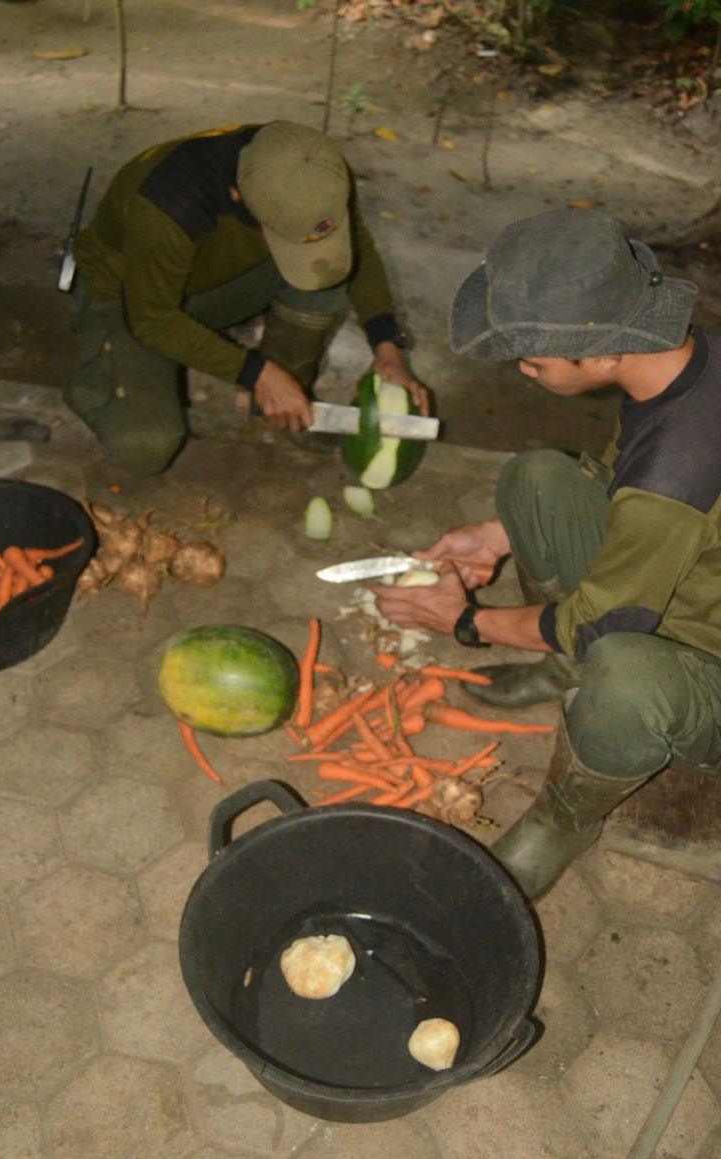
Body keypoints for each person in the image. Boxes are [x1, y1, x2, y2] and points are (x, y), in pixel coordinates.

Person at [373, 207, 721, 901]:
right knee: (533, 480)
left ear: (600, 354)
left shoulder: (676, 473)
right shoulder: (687, 357)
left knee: (622, 670)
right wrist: (498, 534)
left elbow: (607, 618)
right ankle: (566, 673)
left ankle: (565, 818)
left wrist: (464, 622)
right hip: (683, 564)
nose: (525, 370)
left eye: (534, 358)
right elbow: (627, 473)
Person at [65, 120, 426, 475]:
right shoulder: (165, 207)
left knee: (326, 272)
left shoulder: (314, 172)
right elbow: (152, 319)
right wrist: (256, 373)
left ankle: (280, 405)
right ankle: (97, 382)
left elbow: (358, 250)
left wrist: (387, 347)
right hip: (127, 299)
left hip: (211, 281)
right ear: (237, 195)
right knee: (146, 446)